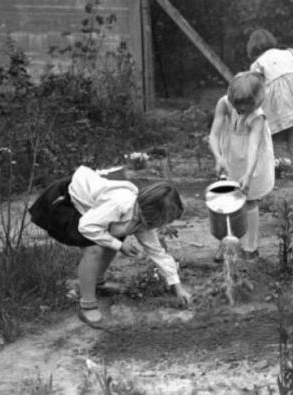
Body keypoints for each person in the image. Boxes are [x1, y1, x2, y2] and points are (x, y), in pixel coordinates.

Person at [29, 166, 192, 329]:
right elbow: (86, 227)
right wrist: (120, 245)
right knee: (94, 249)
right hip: (65, 201)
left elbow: (158, 252)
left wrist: (177, 286)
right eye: (164, 221)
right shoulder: (120, 203)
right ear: (154, 214)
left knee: (113, 239)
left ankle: (97, 283)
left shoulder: (143, 219)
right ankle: (87, 305)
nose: (162, 225)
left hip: (93, 211)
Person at [206, 71, 275, 261]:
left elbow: (253, 146)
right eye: (238, 105)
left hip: (253, 162)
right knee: (226, 201)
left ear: (256, 101)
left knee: (249, 201)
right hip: (231, 157)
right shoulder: (224, 103)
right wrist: (219, 157)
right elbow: (214, 134)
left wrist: (248, 174)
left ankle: (250, 248)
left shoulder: (258, 117)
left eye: (247, 106)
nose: (241, 110)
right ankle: (226, 243)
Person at [246, 28, 293, 184]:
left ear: (253, 47)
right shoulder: (288, 52)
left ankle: (265, 182)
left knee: (265, 144)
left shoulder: (257, 64)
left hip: (277, 104)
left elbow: (256, 89)